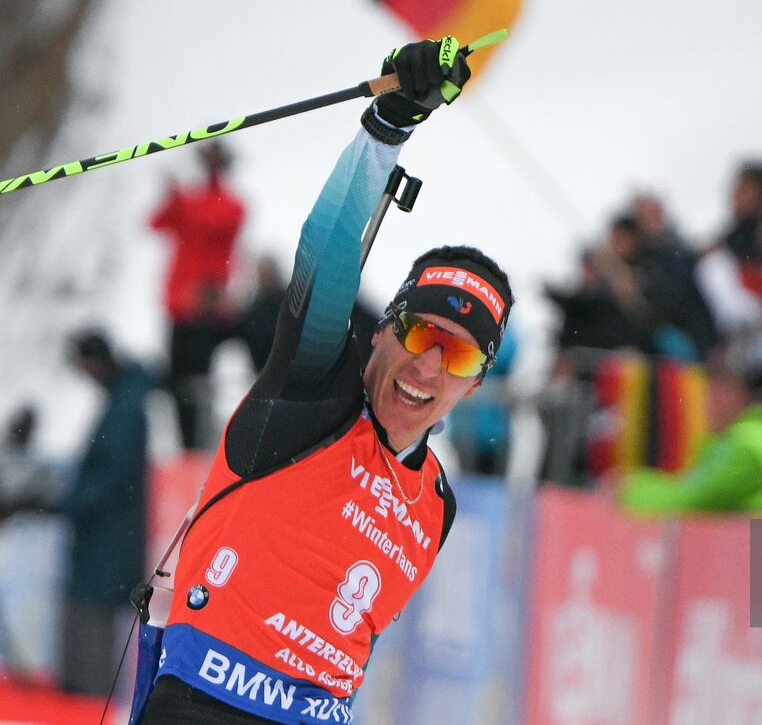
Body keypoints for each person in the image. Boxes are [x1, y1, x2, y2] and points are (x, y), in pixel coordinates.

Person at [136, 37, 514, 725]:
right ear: (383, 330)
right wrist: (388, 127)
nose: (428, 368)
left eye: (456, 357)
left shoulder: (437, 505)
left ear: (475, 385)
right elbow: (328, 251)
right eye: (421, 335)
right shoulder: (313, 389)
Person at [60, 329, 152, 696]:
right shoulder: (125, 398)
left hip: (108, 541)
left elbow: (108, 478)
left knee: (90, 628)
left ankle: (85, 708)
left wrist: (63, 504)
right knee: (91, 622)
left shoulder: (126, 408)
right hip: (111, 538)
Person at [616, 341, 762, 516]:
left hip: (761, 550)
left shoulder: (746, 445)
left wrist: (628, 488)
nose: (706, 405)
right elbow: (690, 487)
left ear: (732, 393)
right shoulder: (761, 434)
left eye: (712, 394)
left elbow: (691, 501)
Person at [148, 141, 246, 449]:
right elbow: (154, 223)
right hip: (181, 308)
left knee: (196, 386)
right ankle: (187, 448)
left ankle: (197, 446)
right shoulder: (190, 202)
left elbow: (216, 220)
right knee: (180, 384)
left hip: (205, 310)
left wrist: (180, 195)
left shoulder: (228, 205)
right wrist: (175, 195)